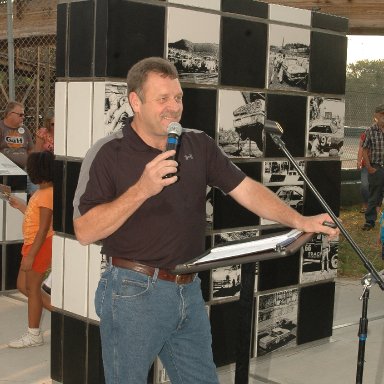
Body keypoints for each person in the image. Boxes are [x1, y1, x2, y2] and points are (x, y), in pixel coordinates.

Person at [73, 57, 339, 384]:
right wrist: (142, 189)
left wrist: (300, 220)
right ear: (135, 102)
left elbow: (247, 190)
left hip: (188, 287)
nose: (174, 107)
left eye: (178, 97)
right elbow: (85, 231)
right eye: (162, 99)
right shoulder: (107, 153)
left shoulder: (197, 143)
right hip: (133, 293)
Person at [8, 151, 54, 348]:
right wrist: (21, 206)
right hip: (33, 244)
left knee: (32, 288)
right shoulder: (42, 192)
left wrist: (32, 255)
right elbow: (36, 220)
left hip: (39, 246)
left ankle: (34, 334)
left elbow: (44, 229)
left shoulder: (47, 194)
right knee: (23, 285)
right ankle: (61, 313)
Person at [362, 104, 384, 230]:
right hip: (377, 168)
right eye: (381, 115)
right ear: (376, 116)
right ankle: (370, 221)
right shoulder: (370, 131)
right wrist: (369, 167)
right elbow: (364, 150)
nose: (383, 117)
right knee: (374, 194)